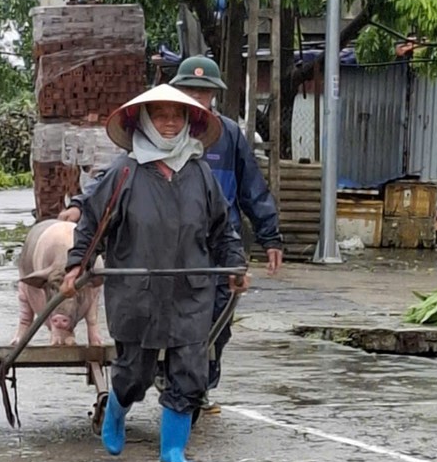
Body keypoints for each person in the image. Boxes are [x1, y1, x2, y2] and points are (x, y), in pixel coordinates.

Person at [60, 55, 282, 401]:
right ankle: (137, 395)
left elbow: (249, 192)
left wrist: (265, 240)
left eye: (203, 94)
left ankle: (186, 412)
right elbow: (101, 204)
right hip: (143, 272)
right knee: (138, 365)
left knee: (203, 345)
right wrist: (78, 253)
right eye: (188, 91)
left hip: (201, 264)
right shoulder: (128, 168)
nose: (173, 120)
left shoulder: (222, 147)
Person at [60, 84, 249, 462]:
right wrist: (78, 264)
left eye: (176, 116)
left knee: (191, 369)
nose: (168, 122)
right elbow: (93, 223)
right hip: (136, 288)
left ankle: (172, 451)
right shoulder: (124, 172)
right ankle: (116, 406)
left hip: (190, 288)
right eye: (160, 115)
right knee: (135, 372)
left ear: (188, 123)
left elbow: (222, 228)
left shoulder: (199, 173)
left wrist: (233, 264)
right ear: (144, 120)